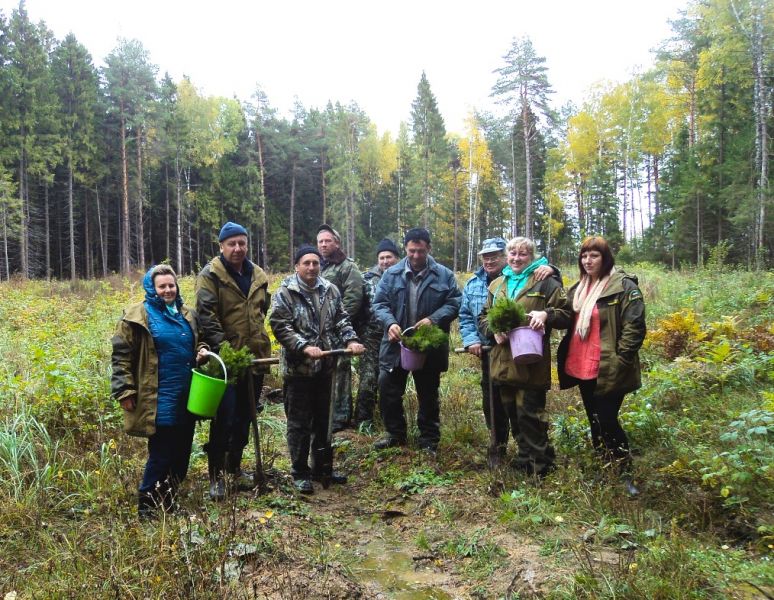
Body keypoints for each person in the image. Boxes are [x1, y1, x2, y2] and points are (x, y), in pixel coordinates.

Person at [532, 236, 645, 496]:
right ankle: (604, 465)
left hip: (609, 365)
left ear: (605, 258)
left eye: (594, 255)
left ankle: (625, 473)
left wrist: (622, 359)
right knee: (594, 419)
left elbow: (635, 326)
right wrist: (546, 311)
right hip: (582, 364)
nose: (588, 260)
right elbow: (561, 310)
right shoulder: (579, 288)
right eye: (584, 256)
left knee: (607, 419)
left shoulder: (623, 286)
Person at [111, 264, 206, 518]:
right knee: (162, 452)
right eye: (162, 286)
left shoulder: (187, 314)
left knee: (183, 451)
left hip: (187, 395)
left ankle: (169, 500)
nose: (167, 290)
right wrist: (125, 391)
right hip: (158, 396)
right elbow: (121, 356)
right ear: (151, 289)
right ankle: (147, 506)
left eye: (171, 285)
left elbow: (201, 338)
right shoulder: (136, 316)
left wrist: (202, 350)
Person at [269, 245, 366, 494]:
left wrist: (351, 340)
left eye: (315, 263)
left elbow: (341, 320)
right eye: (306, 263)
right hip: (298, 370)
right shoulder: (286, 292)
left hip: (326, 369)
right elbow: (280, 325)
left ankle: (323, 468)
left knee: (325, 420)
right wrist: (303, 347)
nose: (312, 267)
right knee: (299, 424)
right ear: (297, 266)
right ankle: (300, 471)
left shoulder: (330, 290)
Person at [461, 238, 558, 461]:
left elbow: (566, 313)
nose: (516, 258)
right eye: (513, 253)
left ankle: (541, 465)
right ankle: (524, 460)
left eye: (522, 254)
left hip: (531, 362)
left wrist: (546, 315)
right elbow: (483, 317)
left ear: (531, 257)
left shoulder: (545, 281)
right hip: (503, 361)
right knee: (512, 412)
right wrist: (494, 329)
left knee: (530, 414)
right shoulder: (497, 285)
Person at [196, 221, 272, 500]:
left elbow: (263, 309)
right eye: (232, 244)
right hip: (225, 362)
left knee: (245, 417)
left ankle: (234, 468)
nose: (237, 248)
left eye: (242, 243)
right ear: (221, 247)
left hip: (255, 360)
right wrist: (227, 352)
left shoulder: (258, 275)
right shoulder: (210, 276)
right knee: (224, 419)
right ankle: (216, 476)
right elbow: (207, 316)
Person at [371, 227, 461, 454]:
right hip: (395, 344)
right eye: (411, 251)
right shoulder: (391, 274)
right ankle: (395, 434)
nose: (416, 256)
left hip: (428, 345)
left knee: (428, 392)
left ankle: (429, 439)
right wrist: (390, 323)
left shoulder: (444, 275)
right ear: (406, 249)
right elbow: (379, 304)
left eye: (421, 251)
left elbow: (455, 302)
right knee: (388, 388)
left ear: (429, 248)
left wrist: (434, 319)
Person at [317, 224, 365, 432]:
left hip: (340, 331)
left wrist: (339, 327)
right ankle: (324, 414)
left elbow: (353, 300)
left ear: (337, 243)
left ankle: (341, 417)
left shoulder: (348, 267)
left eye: (328, 240)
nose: (324, 244)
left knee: (341, 373)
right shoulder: (318, 266)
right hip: (319, 334)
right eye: (320, 241)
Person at [353, 238, 401, 428]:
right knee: (368, 378)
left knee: (391, 379)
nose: (385, 261)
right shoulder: (366, 279)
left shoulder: (403, 277)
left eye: (389, 257)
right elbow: (357, 306)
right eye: (381, 257)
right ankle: (363, 421)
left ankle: (389, 419)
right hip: (372, 335)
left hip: (396, 335)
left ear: (397, 258)